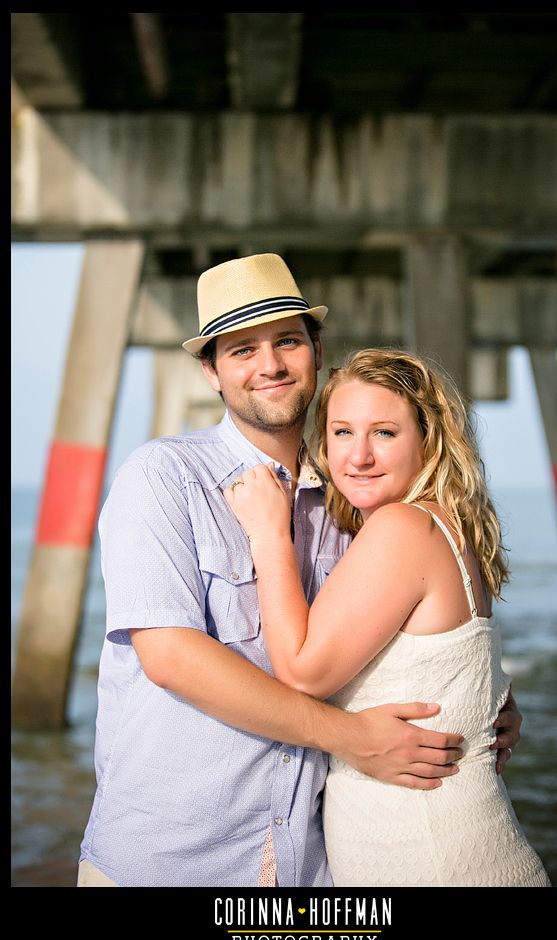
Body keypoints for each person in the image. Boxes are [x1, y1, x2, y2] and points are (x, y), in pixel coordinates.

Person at [78, 253, 521, 887]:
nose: (270, 366)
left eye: (287, 340)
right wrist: (350, 736)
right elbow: (171, 655)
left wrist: (482, 703)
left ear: (315, 348)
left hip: (310, 865)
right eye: (240, 351)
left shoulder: (357, 503)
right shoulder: (164, 478)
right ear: (211, 372)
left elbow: (411, 636)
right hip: (175, 857)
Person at [225, 346, 550, 887]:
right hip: (452, 848)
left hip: (433, 862)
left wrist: (268, 534)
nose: (358, 456)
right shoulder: (444, 526)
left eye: (384, 433)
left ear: (428, 440)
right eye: (342, 432)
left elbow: (303, 672)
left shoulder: (401, 527)